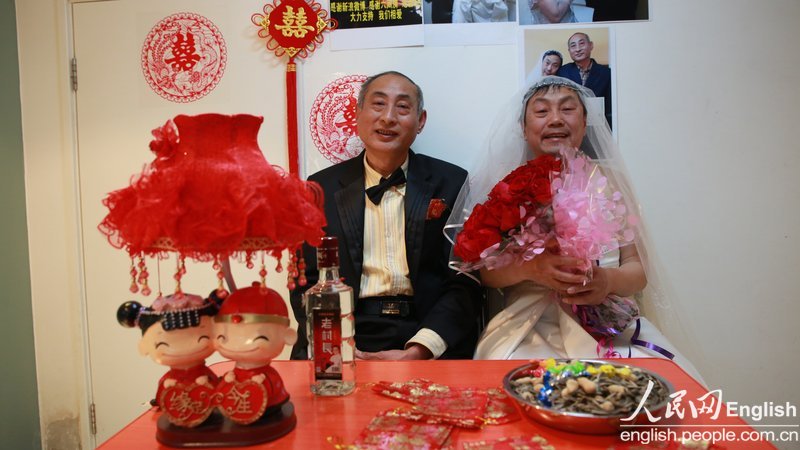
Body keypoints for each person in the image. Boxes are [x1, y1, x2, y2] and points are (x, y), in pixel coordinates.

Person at [445, 76, 702, 381]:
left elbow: (638, 268)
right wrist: (532, 269)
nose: (555, 119)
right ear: (524, 129)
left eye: (567, 110)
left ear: (584, 123)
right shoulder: (505, 186)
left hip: (610, 323)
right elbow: (485, 274)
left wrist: (607, 280)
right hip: (528, 323)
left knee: (663, 382)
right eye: (541, 112)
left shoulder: (611, 181)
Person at [291, 71, 482, 361]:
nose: (388, 117)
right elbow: (307, 281)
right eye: (378, 104)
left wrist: (421, 349)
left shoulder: (452, 182)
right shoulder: (319, 188)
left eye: (403, 107)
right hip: (345, 334)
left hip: (426, 332)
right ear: (357, 115)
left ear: (420, 121)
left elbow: (464, 280)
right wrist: (338, 344)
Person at [117, 293, 219, 427]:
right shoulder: (168, 380)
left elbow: (219, 394)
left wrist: (211, 384)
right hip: (177, 413)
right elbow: (161, 398)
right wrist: (165, 392)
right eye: (164, 344)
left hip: (209, 415)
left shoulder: (205, 374)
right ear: (144, 346)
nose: (184, 348)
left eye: (201, 337)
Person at [214, 283, 297, 424]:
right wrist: (226, 381)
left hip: (269, 409)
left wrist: (262, 384)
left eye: (258, 337)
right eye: (224, 337)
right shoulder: (234, 373)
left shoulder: (268, 375)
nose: (237, 346)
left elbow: (272, 386)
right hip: (235, 407)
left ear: (288, 336)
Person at [557, 32, 613, 128]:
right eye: (573, 46)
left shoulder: (607, 73)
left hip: (599, 127)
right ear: (569, 50)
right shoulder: (562, 72)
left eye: (582, 43)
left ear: (591, 45)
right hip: (570, 125)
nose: (578, 49)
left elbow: (610, 105)